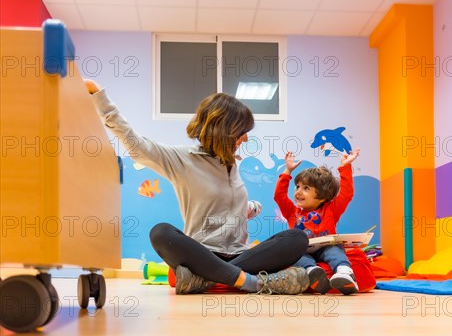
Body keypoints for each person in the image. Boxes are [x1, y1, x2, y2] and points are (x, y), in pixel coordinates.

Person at [84, 79, 310, 295]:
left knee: (296, 238)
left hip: (241, 254)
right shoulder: (182, 160)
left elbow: (223, 205)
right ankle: (251, 282)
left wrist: (247, 208)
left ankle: (205, 279)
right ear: (225, 131)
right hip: (203, 254)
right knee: (161, 232)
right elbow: (134, 142)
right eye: (242, 132)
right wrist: (98, 96)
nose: (246, 139)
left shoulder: (232, 164)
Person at [274, 149, 360, 295]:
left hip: (325, 246)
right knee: (294, 255)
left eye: (306, 188)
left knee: (334, 251)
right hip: (302, 249)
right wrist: (287, 171)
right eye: (298, 187)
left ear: (322, 196)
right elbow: (279, 196)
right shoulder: (291, 212)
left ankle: (345, 273)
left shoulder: (331, 209)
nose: (298, 192)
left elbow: (347, 193)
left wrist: (345, 167)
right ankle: (313, 272)